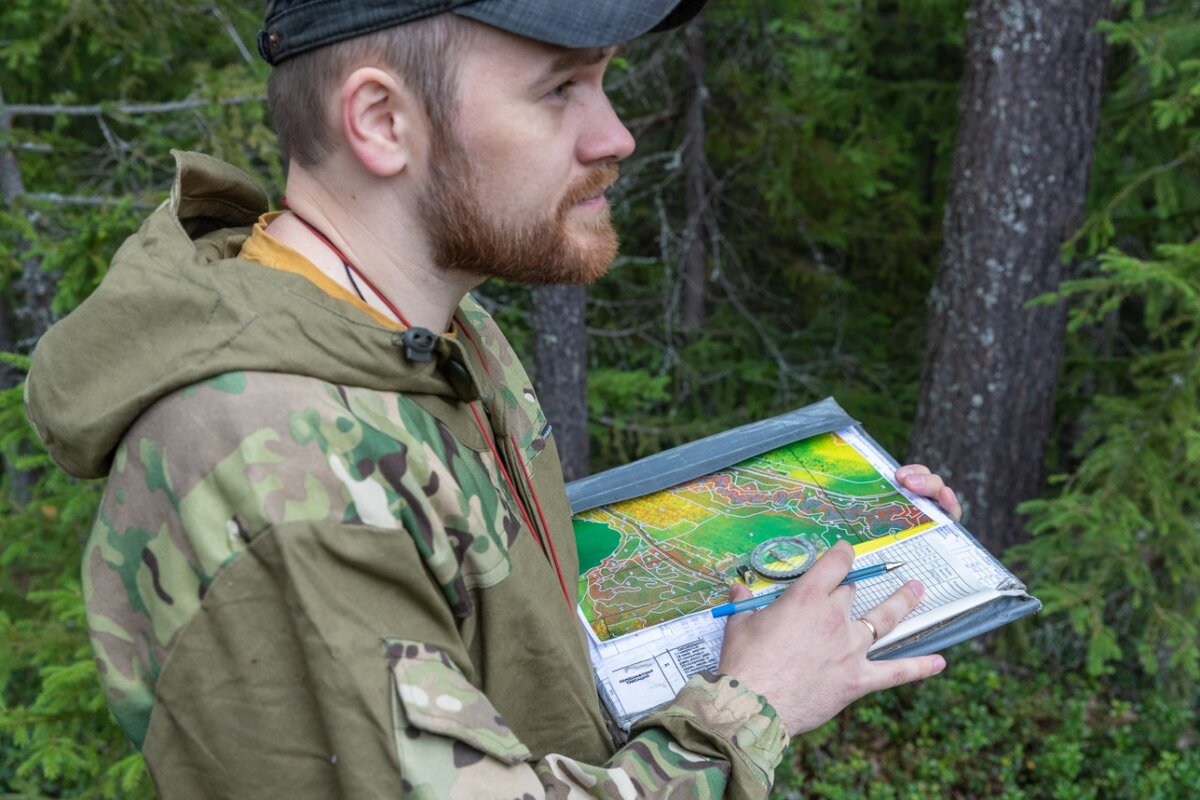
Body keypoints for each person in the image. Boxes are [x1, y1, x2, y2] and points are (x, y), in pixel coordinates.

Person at [25, 1, 961, 797]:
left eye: (602, 81)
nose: (616, 136)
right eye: (560, 89)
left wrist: (813, 536)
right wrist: (751, 708)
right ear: (383, 121)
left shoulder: (421, 328)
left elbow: (498, 605)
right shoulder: (284, 474)